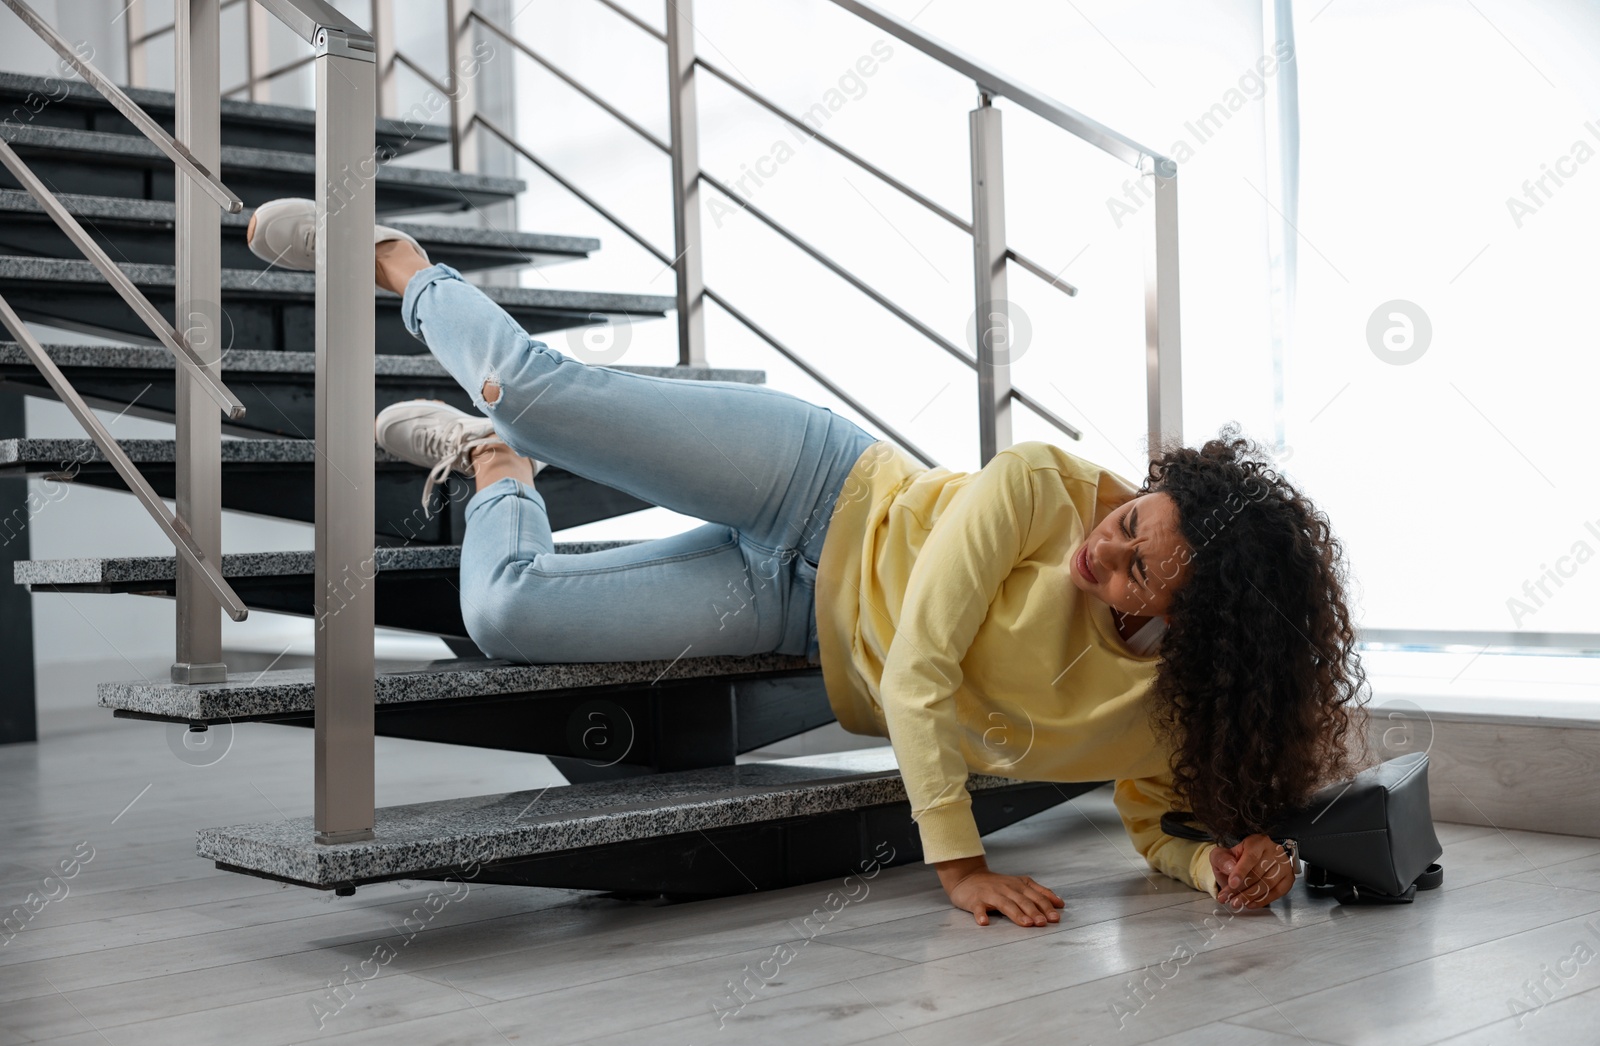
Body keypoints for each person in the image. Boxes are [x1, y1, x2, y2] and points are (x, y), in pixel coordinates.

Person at [246, 199, 1373, 929]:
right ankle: (397, 258)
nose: (1105, 551)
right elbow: (923, 666)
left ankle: (493, 469)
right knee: (533, 388)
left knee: (505, 611)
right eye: (1135, 517)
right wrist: (958, 865)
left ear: (1198, 632)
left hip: (796, 625)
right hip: (816, 487)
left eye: (1139, 575)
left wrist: (1213, 867)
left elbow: (1147, 821)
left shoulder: (1158, 711)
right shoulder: (1042, 483)